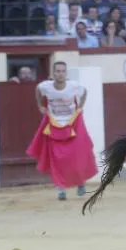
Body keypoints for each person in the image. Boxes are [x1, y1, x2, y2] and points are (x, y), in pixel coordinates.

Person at [26, 61, 98, 201]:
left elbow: (84, 93)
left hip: (72, 123)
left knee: (77, 155)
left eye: (62, 71)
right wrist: (40, 105)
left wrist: (80, 108)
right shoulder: (45, 86)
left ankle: (80, 183)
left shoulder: (74, 86)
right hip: (54, 123)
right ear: (53, 74)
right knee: (57, 159)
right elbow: (38, 91)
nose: (60, 74)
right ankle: (61, 189)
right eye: (57, 71)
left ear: (66, 73)